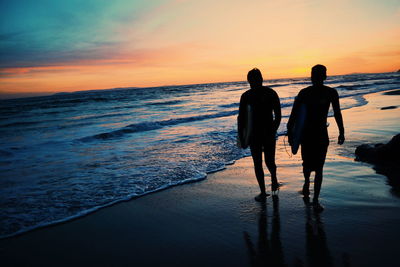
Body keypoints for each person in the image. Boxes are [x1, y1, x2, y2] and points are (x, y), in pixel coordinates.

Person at [287, 64, 345, 211]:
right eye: (315, 75)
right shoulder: (304, 93)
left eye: (319, 75)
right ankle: (307, 182)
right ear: (311, 77)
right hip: (306, 135)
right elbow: (293, 115)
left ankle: (316, 200)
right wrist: (290, 134)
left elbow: (337, 112)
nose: (317, 78)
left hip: (321, 134)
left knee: (319, 167)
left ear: (324, 77)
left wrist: (342, 131)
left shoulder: (330, 93)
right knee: (307, 164)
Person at [238, 68, 281, 201]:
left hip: (257, 134)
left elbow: (241, 119)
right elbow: (278, 116)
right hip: (261, 134)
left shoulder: (247, 96)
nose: (253, 83)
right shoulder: (270, 93)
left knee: (261, 163)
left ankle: (266, 189)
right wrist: (273, 130)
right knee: (267, 161)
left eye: (254, 80)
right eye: (252, 81)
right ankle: (271, 183)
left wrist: (242, 136)